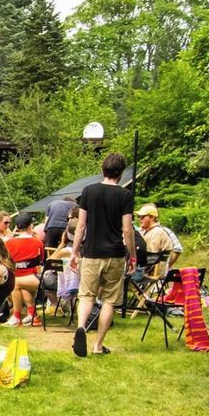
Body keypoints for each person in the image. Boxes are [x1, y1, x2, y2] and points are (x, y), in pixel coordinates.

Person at [69, 153, 135, 357]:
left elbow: (81, 225)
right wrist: (132, 256)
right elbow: (127, 229)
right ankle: (98, 345)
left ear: (103, 169)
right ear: (121, 173)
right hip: (114, 253)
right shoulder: (125, 195)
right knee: (109, 300)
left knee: (86, 296)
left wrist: (74, 252)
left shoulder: (89, 191)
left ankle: (81, 326)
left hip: (91, 252)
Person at [5, 213, 45, 326]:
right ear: (30, 226)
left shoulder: (9, 243)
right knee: (22, 286)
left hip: (16, 277)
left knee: (16, 284)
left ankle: (16, 316)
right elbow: (41, 260)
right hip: (34, 278)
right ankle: (33, 315)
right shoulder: (38, 242)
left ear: (17, 227)